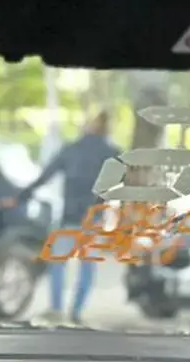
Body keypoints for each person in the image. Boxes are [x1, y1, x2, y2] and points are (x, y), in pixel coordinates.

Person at [25, 111, 122, 322]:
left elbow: (45, 176)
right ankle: (76, 312)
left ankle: (56, 308)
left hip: (69, 217)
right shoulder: (113, 153)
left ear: (87, 127)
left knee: (57, 262)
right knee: (87, 266)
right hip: (93, 218)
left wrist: (21, 197)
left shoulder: (71, 150)